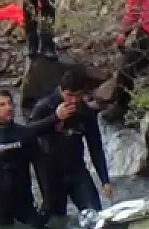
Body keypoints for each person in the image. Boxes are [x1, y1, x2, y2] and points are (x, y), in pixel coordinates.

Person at [0, 90, 76, 227]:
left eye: (10, 103)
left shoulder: (25, 135)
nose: (9, 108)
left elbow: (41, 168)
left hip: (26, 207)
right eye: (2, 104)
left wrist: (47, 202)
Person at [29, 71, 114, 218]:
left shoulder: (85, 112)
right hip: (50, 173)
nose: (73, 100)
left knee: (95, 216)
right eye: (70, 95)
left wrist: (105, 180)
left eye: (78, 96)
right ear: (61, 90)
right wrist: (55, 118)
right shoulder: (44, 106)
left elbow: (95, 147)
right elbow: (27, 133)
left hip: (77, 171)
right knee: (55, 221)